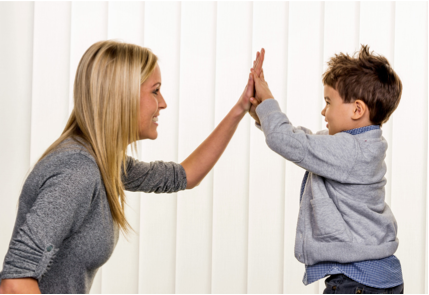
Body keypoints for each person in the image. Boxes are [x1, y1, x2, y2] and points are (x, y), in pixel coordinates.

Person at [0, 40, 264, 294]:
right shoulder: (77, 170)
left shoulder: (101, 161)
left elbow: (185, 175)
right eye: (155, 90)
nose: (163, 103)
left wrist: (241, 108)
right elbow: (15, 283)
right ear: (121, 96)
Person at [248, 46, 404, 294]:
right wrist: (262, 116)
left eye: (328, 102)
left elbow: (288, 141)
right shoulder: (364, 145)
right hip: (378, 277)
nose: (323, 111)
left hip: (358, 281)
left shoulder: (348, 150)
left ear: (357, 110)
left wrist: (267, 100)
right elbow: (305, 140)